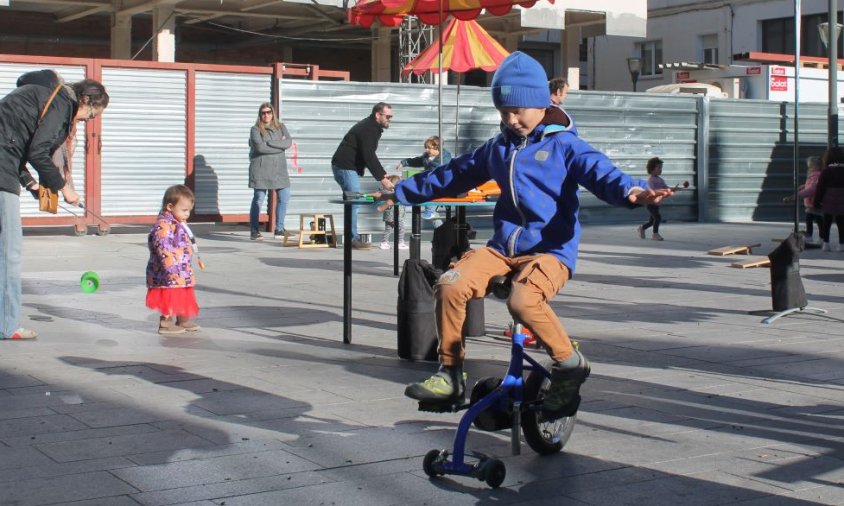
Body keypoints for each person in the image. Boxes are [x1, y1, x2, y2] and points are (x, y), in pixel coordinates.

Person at [375, 51, 672, 419]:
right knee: (450, 283)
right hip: (503, 248)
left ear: (541, 103)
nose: (511, 120)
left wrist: (632, 191)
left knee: (522, 301)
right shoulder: (498, 148)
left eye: (518, 111)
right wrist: (401, 191)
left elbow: (601, 173)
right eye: (503, 112)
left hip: (550, 251)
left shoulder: (565, 145)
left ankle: (570, 364)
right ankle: (450, 373)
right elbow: (453, 174)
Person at [1, 69, 108, 341]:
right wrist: (64, 188)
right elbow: (35, 151)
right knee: (9, 252)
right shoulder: (60, 102)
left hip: (6, 167)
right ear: (85, 100)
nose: (87, 121)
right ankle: (7, 325)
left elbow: (15, 144)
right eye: (92, 115)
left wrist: (31, 185)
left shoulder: (40, 95)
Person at [331, 102, 395, 249]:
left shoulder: (372, 127)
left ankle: (351, 237)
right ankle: (352, 239)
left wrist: (383, 174)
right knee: (354, 201)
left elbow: (368, 155)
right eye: (388, 116)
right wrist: (383, 179)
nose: (390, 119)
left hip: (345, 167)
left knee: (353, 200)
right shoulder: (369, 128)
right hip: (345, 167)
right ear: (378, 115)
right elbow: (369, 156)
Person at [146, 184, 201, 335]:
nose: (187, 214)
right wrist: (170, 266)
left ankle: (183, 320)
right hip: (167, 270)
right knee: (169, 296)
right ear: (170, 207)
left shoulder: (179, 223)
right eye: (184, 210)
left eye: (189, 210)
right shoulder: (164, 225)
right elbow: (163, 247)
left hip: (181, 268)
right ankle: (165, 323)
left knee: (183, 294)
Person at [248, 102, 292, 241]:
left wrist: (269, 143)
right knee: (258, 199)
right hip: (261, 169)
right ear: (260, 115)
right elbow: (260, 148)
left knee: (284, 197)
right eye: (263, 113)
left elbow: (288, 143)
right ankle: (254, 230)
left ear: (273, 113)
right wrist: (280, 145)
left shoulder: (281, 127)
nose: (266, 115)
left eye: (268, 112)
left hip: (279, 169)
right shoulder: (255, 130)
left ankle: (279, 229)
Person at [395, 135, 453, 224]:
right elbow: (418, 161)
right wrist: (404, 163)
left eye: (429, 148)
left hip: (441, 184)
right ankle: (438, 225)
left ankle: (430, 209)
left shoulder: (444, 158)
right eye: (426, 148)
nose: (426, 150)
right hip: (429, 181)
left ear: (437, 148)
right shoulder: (427, 156)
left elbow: (436, 173)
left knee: (430, 190)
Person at [814, 147, 844, 252]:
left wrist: (816, 202)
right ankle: (841, 244)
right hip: (842, 200)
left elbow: (820, 188)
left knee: (827, 222)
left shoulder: (826, 171)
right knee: (841, 222)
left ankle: (826, 244)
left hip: (828, 199)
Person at [636, 157, 670, 241]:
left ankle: (642, 227)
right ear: (652, 169)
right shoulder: (650, 180)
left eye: (661, 168)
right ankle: (655, 234)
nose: (660, 169)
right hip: (650, 203)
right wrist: (663, 191)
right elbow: (653, 191)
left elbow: (666, 187)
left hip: (657, 203)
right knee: (657, 218)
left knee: (652, 221)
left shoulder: (660, 179)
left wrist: (673, 189)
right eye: (658, 167)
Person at [797, 156, 823, 243]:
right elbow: (810, 185)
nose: (810, 168)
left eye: (811, 166)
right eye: (809, 166)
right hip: (811, 202)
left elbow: (813, 188)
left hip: (814, 202)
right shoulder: (813, 175)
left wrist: (801, 193)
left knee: (817, 220)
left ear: (817, 166)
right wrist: (804, 186)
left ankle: (820, 237)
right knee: (810, 220)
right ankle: (811, 236)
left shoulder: (817, 175)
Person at [380, 175, 408, 250]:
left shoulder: (388, 192)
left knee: (388, 229)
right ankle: (400, 242)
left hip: (390, 215)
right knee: (401, 228)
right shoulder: (393, 193)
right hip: (395, 215)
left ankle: (384, 242)